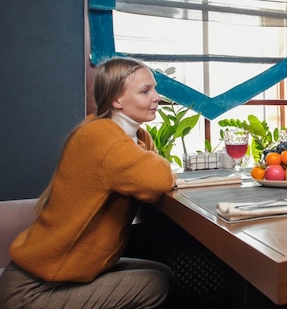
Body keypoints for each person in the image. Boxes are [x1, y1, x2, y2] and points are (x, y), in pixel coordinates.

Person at [0, 57, 178, 309]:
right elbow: (158, 179)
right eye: (145, 91)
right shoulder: (102, 136)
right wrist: (161, 171)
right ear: (117, 100)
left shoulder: (132, 135)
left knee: (163, 273)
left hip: (64, 277)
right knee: (154, 284)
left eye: (155, 88)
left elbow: (148, 181)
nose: (157, 97)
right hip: (29, 292)